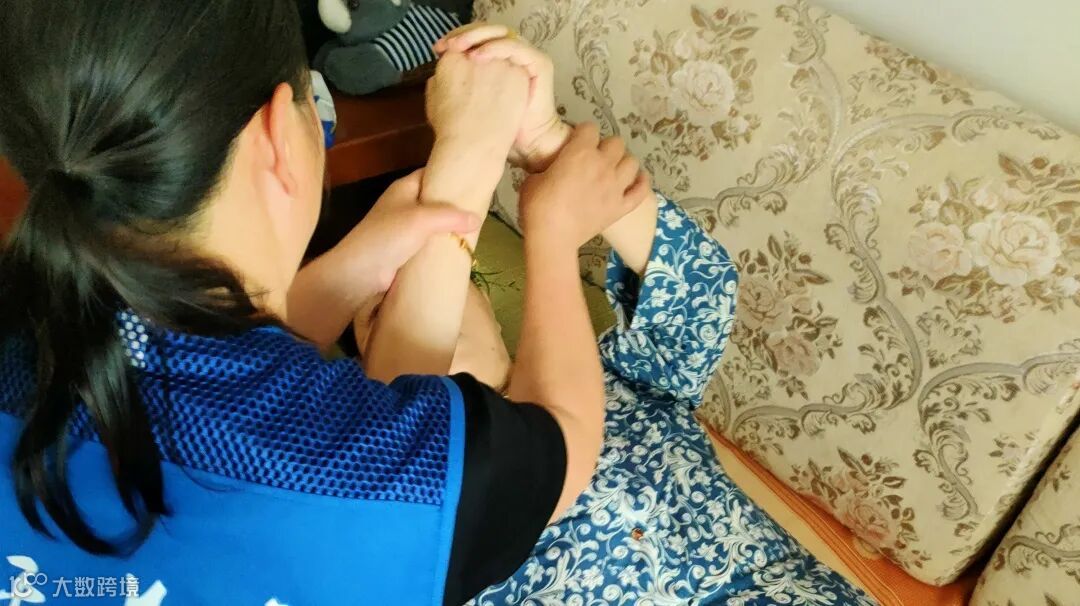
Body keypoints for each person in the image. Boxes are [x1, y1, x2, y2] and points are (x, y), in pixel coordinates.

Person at [0, 2, 647, 604]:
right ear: (280, 131)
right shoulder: (369, 480)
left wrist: (351, 269)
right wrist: (549, 227)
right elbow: (562, 438)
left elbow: (203, 378)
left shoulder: (37, 336)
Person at [349, 25, 876, 605]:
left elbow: (701, 287)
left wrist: (544, 144)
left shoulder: (616, 379)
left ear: (497, 318)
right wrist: (527, 212)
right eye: (380, 309)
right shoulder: (420, 524)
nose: (417, 288)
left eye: (449, 276)